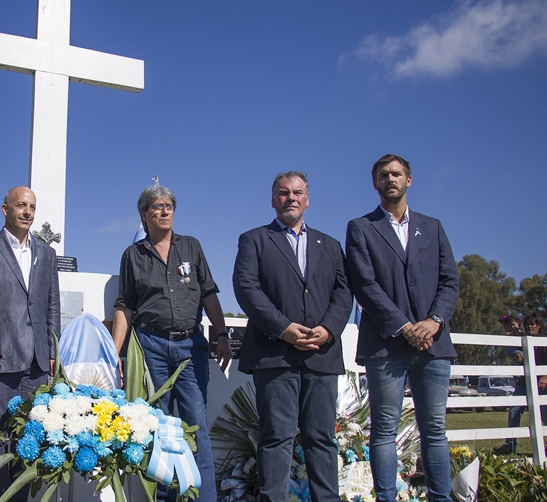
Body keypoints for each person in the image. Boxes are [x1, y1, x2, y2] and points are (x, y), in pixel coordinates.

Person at [345, 154, 459, 502]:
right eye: (383, 175)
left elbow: (449, 281)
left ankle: (441, 497)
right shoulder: (361, 228)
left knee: (435, 431)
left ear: (409, 180)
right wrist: (404, 325)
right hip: (385, 346)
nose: (390, 178)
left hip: (433, 346)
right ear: (374, 183)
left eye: (396, 173)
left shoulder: (433, 227)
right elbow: (363, 283)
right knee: (383, 431)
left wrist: (433, 321)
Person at [233, 171, 352, 502]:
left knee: (322, 439)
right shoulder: (253, 239)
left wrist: (328, 329)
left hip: (321, 355)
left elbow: (344, 294)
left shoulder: (330, 245)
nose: (291, 198)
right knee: (276, 437)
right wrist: (283, 329)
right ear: (273, 201)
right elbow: (246, 288)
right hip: (275, 355)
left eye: (298, 192)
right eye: (283, 193)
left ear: (308, 199)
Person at [111, 185, 231, 502]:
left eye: (169, 206)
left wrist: (221, 335)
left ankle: (205, 498)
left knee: (196, 429)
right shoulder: (132, 256)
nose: (165, 211)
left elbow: (209, 294)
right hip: (150, 347)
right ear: (143, 215)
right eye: (157, 206)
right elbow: (125, 306)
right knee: (158, 430)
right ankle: (164, 498)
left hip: (191, 347)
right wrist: (114, 353)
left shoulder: (191, 247)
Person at [0, 186, 60, 502]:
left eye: (32, 207)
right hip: (0, 364)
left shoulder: (47, 253)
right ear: (5, 209)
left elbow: (51, 305)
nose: (27, 212)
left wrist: (53, 352)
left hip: (38, 367)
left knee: (32, 444)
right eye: (20, 206)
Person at [494, 313, 544, 454]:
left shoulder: (543, 339)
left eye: (533, 324)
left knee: (544, 416)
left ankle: (544, 445)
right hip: (524, 383)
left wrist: (545, 376)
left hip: (542, 384)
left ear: (538, 326)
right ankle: (510, 444)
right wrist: (515, 353)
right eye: (528, 324)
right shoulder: (519, 339)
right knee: (514, 412)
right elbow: (510, 349)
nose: (530, 327)